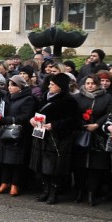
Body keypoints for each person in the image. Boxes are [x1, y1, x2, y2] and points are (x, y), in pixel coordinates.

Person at [29, 72, 82, 205]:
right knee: (43, 166)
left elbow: (74, 121)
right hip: (42, 135)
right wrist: (32, 119)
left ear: (60, 86)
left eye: (53, 84)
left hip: (59, 138)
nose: (50, 86)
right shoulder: (45, 97)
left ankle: (54, 193)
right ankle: (45, 190)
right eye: (50, 84)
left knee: (55, 167)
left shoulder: (69, 101)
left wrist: (55, 125)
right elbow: (37, 112)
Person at [71, 73, 112, 205]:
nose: (90, 86)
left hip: (98, 135)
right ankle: (79, 191)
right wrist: (81, 124)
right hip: (80, 133)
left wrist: (97, 124)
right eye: (88, 83)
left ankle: (92, 193)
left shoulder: (106, 98)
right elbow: (72, 113)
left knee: (95, 166)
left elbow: (109, 113)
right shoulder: (77, 97)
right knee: (79, 165)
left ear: (98, 84)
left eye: (93, 84)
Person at [0, 74, 36, 197]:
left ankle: (15, 185)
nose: (10, 87)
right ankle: (4, 182)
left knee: (16, 161)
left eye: (13, 85)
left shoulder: (28, 99)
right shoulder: (6, 97)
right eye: (9, 85)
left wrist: (7, 119)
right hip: (4, 131)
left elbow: (25, 116)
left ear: (21, 87)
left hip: (18, 133)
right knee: (5, 160)